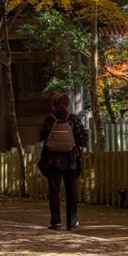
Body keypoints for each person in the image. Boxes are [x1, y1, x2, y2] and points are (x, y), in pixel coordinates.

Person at [38, 92, 88, 231]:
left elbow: (42, 136)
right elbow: (82, 139)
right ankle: (72, 221)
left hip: (52, 160)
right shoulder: (73, 119)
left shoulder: (50, 120)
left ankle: (56, 221)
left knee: (54, 191)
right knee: (71, 190)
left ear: (53, 104)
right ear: (67, 104)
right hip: (70, 160)